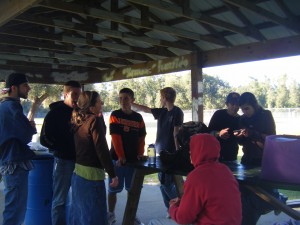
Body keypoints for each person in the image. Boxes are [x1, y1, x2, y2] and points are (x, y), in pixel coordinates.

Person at [148, 133, 242, 225]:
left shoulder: (196, 176)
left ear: (198, 151)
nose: (190, 154)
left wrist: (172, 207)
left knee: (153, 222)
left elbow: (183, 218)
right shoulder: (226, 171)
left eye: (191, 150)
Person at [132, 87, 184, 217]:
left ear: (165, 98)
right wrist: (132, 104)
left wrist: (177, 151)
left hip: (171, 153)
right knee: (163, 183)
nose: (160, 99)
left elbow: (176, 132)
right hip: (160, 152)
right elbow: (146, 109)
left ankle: (182, 205)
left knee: (167, 184)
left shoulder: (177, 112)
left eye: (161, 97)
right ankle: (171, 209)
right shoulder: (162, 112)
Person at [70, 91, 118, 225]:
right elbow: (102, 149)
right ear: (91, 106)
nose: (102, 104)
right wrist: (113, 174)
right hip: (92, 178)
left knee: (79, 216)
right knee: (95, 218)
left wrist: (99, 118)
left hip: (78, 174)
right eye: (99, 102)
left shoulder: (78, 119)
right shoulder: (93, 121)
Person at [40, 80, 82, 225]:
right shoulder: (54, 114)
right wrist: (61, 147)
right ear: (65, 94)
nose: (77, 97)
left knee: (79, 199)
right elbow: (44, 139)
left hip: (81, 162)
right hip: (63, 162)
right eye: (74, 94)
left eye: (79, 94)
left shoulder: (81, 113)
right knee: (60, 200)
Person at [236, 92, 281, 225]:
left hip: (264, 160)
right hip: (247, 159)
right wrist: (241, 137)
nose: (244, 112)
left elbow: (272, 138)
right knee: (243, 195)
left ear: (254, 105)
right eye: (242, 109)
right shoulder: (243, 119)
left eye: (247, 108)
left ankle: (277, 200)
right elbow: (242, 143)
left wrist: (254, 135)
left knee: (258, 198)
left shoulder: (265, 115)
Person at [0, 73, 37, 225]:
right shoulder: (12, 107)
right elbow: (26, 135)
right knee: (15, 210)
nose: (28, 88)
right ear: (14, 88)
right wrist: (31, 128)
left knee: (12, 206)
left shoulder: (3, 106)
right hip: (14, 163)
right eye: (25, 85)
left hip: (7, 160)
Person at [108, 88, 146, 225]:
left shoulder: (138, 117)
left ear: (132, 100)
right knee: (113, 189)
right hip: (116, 160)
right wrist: (120, 156)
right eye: (120, 98)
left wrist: (140, 154)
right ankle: (111, 214)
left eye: (126, 98)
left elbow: (141, 138)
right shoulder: (115, 115)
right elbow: (115, 137)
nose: (122, 101)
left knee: (133, 190)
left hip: (133, 161)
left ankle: (132, 215)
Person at [208, 92, 240, 162]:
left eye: (237, 104)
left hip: (231, 155)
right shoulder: (218, 114)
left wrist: (241, 135)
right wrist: (218, 134)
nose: (235, 107)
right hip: (215, 154)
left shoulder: (240, 119)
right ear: (227, 104)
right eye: (232, 104)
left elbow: (241, 141)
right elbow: (208, 133)